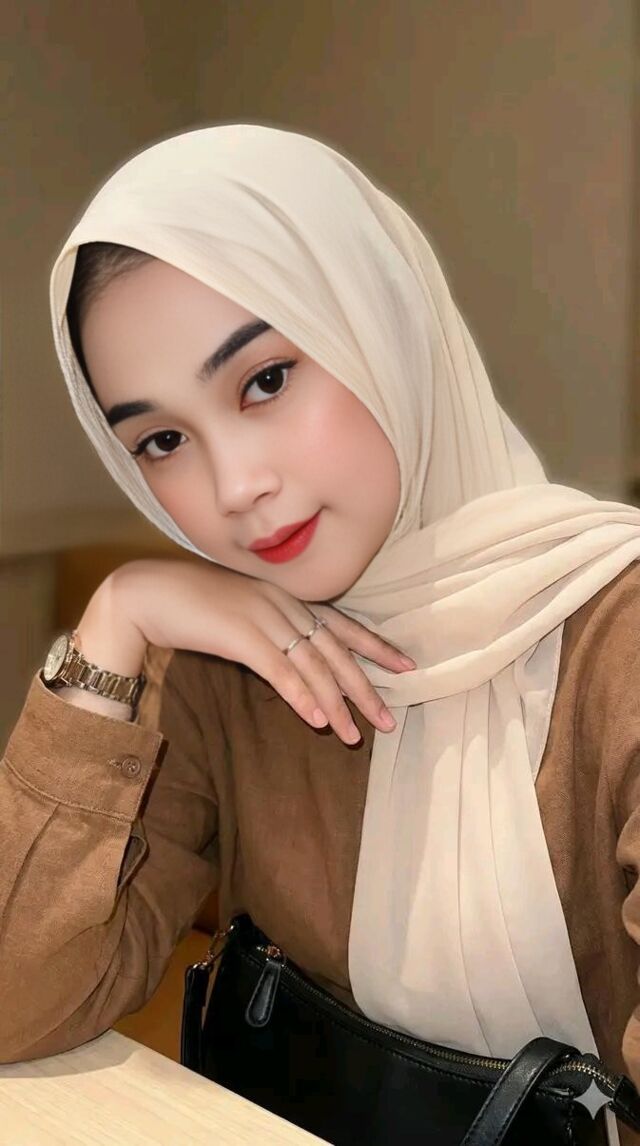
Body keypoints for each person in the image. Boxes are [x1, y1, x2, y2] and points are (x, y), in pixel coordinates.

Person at [2, 123, 640, 1145]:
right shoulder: (224, 661)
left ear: (381, 325)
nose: (233, 486)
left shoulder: (618, 641)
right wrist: (119, 609)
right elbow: (17, 1000)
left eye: (264, 380)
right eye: (161, 440)